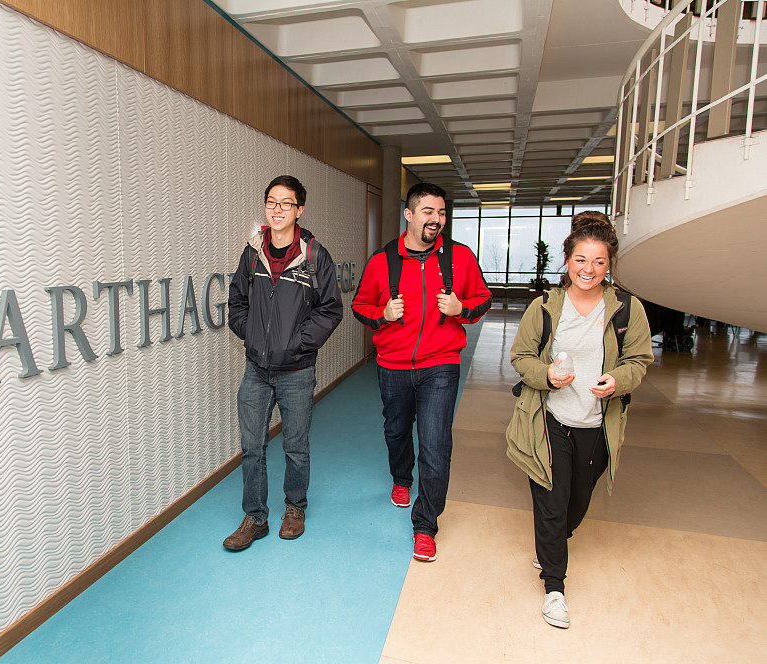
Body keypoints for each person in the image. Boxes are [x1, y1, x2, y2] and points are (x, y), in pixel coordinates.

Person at [506, 211, 653, 629]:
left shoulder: (627, 310)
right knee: (552, 503)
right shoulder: (545, 307)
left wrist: (619, 380)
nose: (589, 270)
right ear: (567, 260)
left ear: (609, 266)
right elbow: (521, 357)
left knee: (577, 504)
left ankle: (551, 544)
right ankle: (554, 587)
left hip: (596, 424)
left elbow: (639, 359)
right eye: (581, 260)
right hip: (549, 419)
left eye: (599, 262)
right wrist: (546, 375)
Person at [351, 182, 491, 562]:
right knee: (396, 431)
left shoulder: (459, 257)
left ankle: (426, 525)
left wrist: (459, 309)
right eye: (428, 212)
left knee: (435, 443)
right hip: (393, 366)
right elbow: (359, 305)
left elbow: (482, 299)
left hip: (441, 364)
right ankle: (401, 477)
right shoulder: (382, 261)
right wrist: (383, 314)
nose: (436, 220)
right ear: (409, 214)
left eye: (441, 213)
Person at [222, 175, 344, 551]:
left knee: (295, 445)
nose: (277, 210)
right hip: (256, 369)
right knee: (252, 446)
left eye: (286, 203)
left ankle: (295, 508)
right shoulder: (251, 252)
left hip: (297, 370)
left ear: (299, 210)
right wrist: (254, 336)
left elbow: (330, 310)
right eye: (271, 202)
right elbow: (237, 301)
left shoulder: (314, 255)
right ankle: (255, 518)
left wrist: (297, 344)